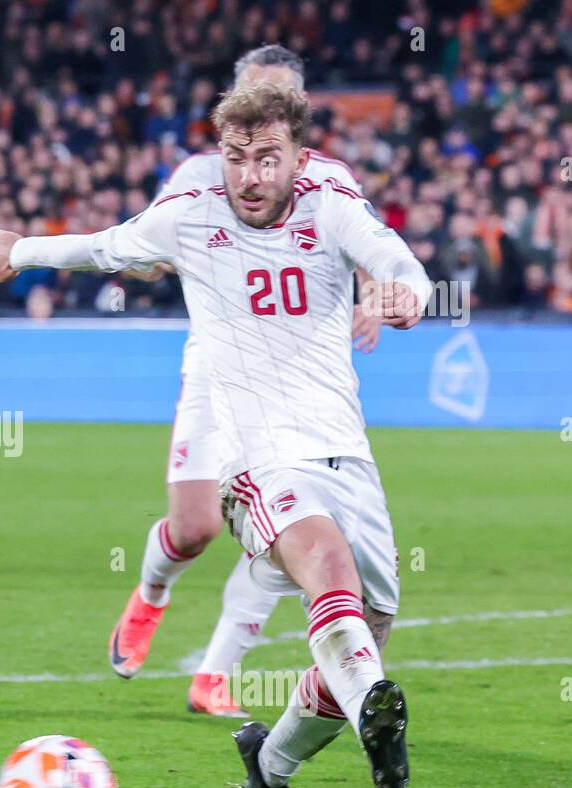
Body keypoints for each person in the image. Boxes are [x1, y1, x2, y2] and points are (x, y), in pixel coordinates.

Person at [0, 83, 428, 788]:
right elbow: (105, 247)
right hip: (257, 458)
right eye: (236, 157)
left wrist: (405, 292)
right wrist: (22, 250)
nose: (250, 176)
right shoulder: (191, 216)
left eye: (267, 159)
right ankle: (378, 701)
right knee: (327, 567)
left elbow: (396, 258)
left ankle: (271, 765)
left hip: (347, 452)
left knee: (369, 626)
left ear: (297, 157)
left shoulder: (331, 199)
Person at [114, 44, 379, 719]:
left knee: (292, 518)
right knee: (195, 525)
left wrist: (374, 294)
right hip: (218, 366)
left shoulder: (326, 179)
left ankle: (214, 672)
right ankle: (151, 591)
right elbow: (147, 243)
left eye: (281, 99)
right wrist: (151, 260)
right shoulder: (202, 175)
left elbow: (366, 241)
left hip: (294, 377)